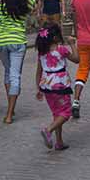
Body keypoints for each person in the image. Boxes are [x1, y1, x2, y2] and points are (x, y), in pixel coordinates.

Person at [0, 0, 35, 124]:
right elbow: (34, 3)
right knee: (15, 75)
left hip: (0, 41)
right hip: (17, 40)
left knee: (8, 72)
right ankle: (9, 113)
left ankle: (11, 106)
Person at [35, 23, 78, 151]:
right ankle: (49, 130)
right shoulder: (61, 49)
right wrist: (72, 44)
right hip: (60, 85)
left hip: (47, 85)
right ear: (55, 38)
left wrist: (38, 88)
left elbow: (38, 71)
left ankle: (59, 142)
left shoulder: (42, 52)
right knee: (66, 112)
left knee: (57, 113)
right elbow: (77, 59)